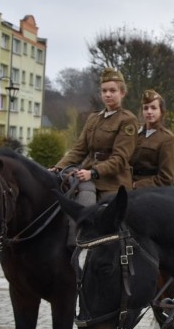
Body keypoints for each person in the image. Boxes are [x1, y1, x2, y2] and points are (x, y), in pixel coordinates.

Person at [51, 67, 138, 245]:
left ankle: (80, 244)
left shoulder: (127, 120)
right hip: (88, 177)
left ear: (122, 93)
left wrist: (94, 173)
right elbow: (79, 149)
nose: (108, 95)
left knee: (102, 220)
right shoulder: (93, 119)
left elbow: (120, 159)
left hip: (113, 182)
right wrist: (58, 167)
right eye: (104, 91)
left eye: (113, 91)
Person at [130, 89, 174, 188]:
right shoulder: (135, 135)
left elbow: (167, 178)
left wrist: (137, 185)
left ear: (161, 111)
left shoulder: (167, 139)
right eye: (146, 108)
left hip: (150, 192)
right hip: (127, 187)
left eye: (153, 108)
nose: (149, 112)